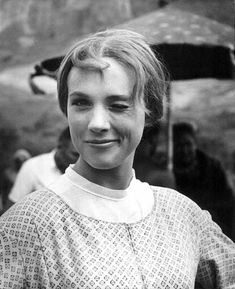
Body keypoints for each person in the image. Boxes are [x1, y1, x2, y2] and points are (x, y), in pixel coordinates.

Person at [0, 29, 234, 288]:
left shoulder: (181, 214)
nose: (97, 123)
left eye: (118, 105)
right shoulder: (26, 226)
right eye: (81, 103)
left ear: (150, 111)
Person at [173, 121, 235, 241]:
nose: (184, 150)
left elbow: (228, 200)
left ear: (195, 144)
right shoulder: (169, 172)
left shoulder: (212, 167)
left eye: (188, 144)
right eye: (179, 145)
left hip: (215, 225)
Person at [6, 126, 79, 208]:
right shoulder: (33, 167)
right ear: (60, 146)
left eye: (83, 156)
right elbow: (11, 208)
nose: (79, 160)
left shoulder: (86, 173)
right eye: (75, 155)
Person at [0, 149, 31, 214]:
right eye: (18, 161)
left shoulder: (30, 175)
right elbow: (2, 190)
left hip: (23, 207)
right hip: (8, 205)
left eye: (23, 160)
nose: (20, 163)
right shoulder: (7, 173)